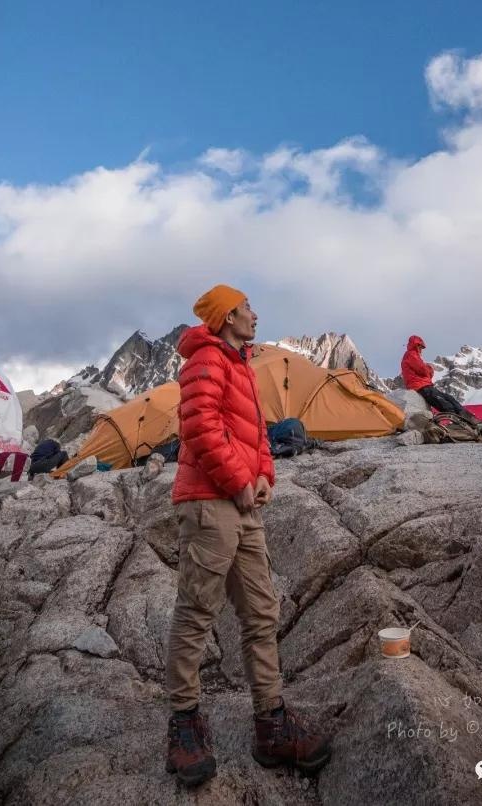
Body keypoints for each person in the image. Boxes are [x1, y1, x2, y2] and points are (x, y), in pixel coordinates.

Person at [165, 284, 332, 788]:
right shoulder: (206, 360)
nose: (255, 316)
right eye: (246, 309)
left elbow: (257, 433)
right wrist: (239, 481)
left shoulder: (241, 364)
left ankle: (271, 724)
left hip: (242, 503)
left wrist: (263, 475)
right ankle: (184, 725)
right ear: (227, 317)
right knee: (197, 612)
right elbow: (199, 426)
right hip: (208, 502)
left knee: (261, 611)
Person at [400, 335, 482, 432]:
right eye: (419, 346)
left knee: (449, 398)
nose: (421, 349)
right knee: (445, 404)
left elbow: (424, 371)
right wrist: (429, 369)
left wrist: (427, 370)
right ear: (415, 345)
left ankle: (471, 420)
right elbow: (423, 370)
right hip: (420, 386)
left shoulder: (414, 355)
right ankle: (463, 424)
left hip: (424, 385)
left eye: (421, 347)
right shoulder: (411, 354)